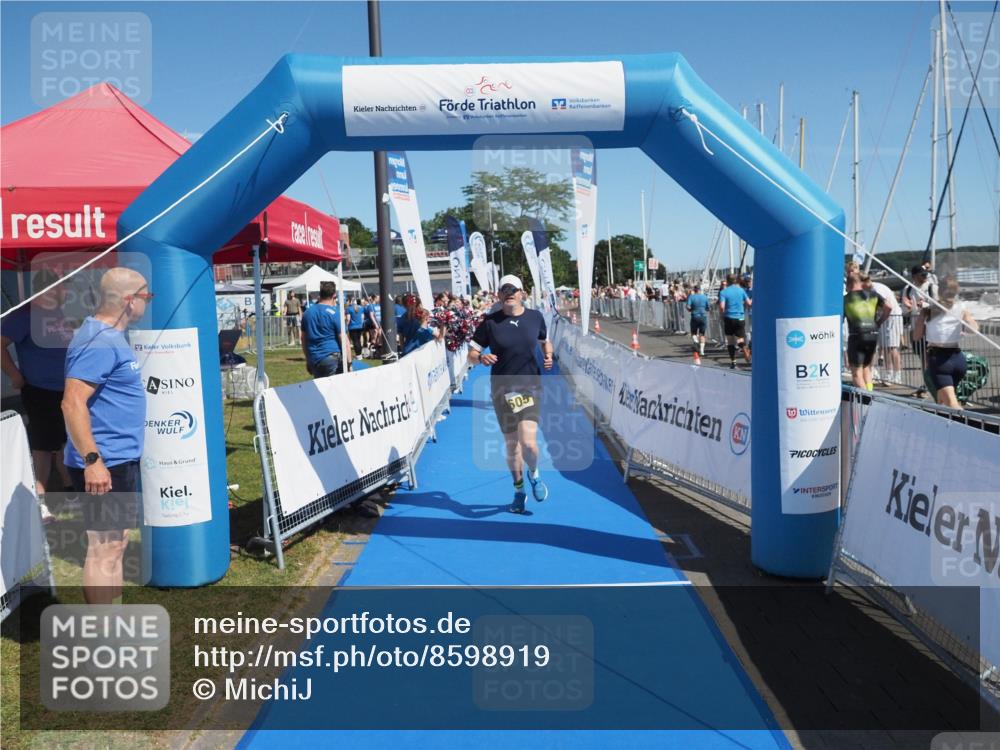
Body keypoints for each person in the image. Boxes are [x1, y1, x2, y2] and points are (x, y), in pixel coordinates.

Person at [62, 267, 150, 604]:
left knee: (116, 543)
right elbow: (72, 403)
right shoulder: (97, 341)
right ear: (129, 301)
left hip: (117, 458)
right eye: (146, 295)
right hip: (104, 462)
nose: (148, 302)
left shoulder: (109, 336)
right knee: (104, 548)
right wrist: (93, 461)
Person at [469, 275, 553, 514]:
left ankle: (534, 475)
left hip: (530, 386)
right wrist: (481, 358)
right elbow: (471, 353)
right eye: (505, 290)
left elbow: (545, 342)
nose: (509, 294)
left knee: (529, 443)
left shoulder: (535, 317)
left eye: (513, 290)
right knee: (512, 445)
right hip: (502, 389)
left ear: (522, 292)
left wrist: (548, 354)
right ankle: (518, 490)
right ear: (499, 295)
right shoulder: (490, 322)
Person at [1, 270, 76, 521]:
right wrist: (14, 375)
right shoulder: (24, 316)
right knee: (43, 447)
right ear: (47, 290)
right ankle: (39, 501)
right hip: (39, 390)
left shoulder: (63, 315)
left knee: (67, 442)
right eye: (63, 287)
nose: (66, 293)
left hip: (68, 389)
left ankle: (71, 494)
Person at [913, 277, 979, 409]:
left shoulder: (929, 311)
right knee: (943, 401)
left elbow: (916, 336)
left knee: (952, 404)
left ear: (940, 291)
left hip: (940, 361)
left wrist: (922, 315)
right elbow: (974, 329)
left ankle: (964, 427)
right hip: (958, 359)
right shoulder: (961, 309)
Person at [844, 271, 887, 391]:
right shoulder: (873, 294)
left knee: (856, 373)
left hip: (857, 335)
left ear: (849, 284)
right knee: (866, 368)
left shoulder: (846, 299)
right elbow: (888, 307)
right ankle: (871, 394)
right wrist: (879, 321)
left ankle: (867, 399)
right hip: (873, 334)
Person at [301, 281, 351, 377]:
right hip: (332, 357)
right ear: (334, 296)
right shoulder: (335, 313)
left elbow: (303, 338)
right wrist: (349, 363)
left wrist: (308, 359)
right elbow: (344, 340)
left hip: (315, 358)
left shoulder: (307, 313)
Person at [865, 275, 903, 384]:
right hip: (885, 318)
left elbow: (886, 306)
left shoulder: (877, 290)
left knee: (892, 347)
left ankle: (897, 375)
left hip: (892, 317)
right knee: (885, 347)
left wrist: (879, 320)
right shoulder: (873, 289)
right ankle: (889, 374)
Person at [718, 273, 751, 369]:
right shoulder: (741, 290)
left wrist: (722, 314)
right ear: (736, 281)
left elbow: (721, 306)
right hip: (740, 317)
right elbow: (749, 303)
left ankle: (733, 362)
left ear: (727, 281)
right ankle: (744, 347)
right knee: (740, 339)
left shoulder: (724, 292)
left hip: (729, 318)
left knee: (730, 341)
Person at [685, 284, 709, 358]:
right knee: (702, 334)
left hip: (695, 316)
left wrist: (690, 310)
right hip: (703, 316)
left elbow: (688, 306)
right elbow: (708, 308)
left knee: (694, 333)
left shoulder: (691, 297)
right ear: (700, 289)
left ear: (694, 290)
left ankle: (695, 340)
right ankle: (702, 351)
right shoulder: (705, 297)